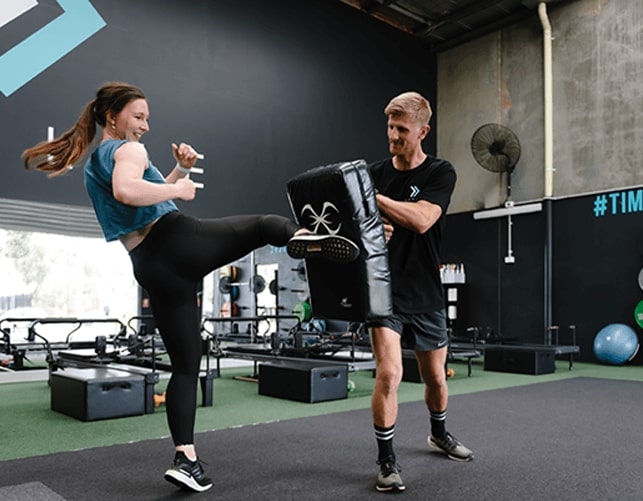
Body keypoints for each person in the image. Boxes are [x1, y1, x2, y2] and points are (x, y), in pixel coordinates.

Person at [22, 81, 358, 493]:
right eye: (139, 116)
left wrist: (178, 171)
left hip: (150, 265)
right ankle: (310, 244)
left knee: (186, 364)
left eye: (147, 118)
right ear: (113, 117)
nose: (146, 125)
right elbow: (128, 191)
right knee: (266, 225)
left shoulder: (99, 159)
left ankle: (186, 458)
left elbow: (140, 195)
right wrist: (180, 188)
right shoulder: (128, 149)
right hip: (175, 241)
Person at [367, 91, 473, 493]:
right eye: (390, 127)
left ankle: (439, 434)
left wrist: (376, 201)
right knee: (390, 372)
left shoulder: (440, 172)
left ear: (423, 131)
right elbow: (360, 226)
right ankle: (386, 459)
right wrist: (375, 226)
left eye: (402, 129)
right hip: (384, 291)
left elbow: (425, 219)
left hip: (426, 290)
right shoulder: (376, 171)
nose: (393, 135)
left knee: (435, 378)